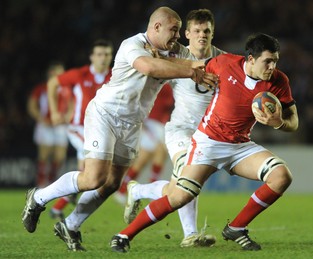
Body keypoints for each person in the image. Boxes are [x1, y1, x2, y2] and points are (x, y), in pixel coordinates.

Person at [21, 6, 218, 252]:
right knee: (94, 178)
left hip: (132, 123)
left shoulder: (171, 50)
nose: (178, 37)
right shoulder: (132, 45)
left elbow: (199, 61)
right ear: (156, 27)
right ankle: (38, 198)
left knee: (113, 183)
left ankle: (70, 225)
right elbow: (149, 67)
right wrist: (188, 70)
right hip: (106, 114)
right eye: (174, 30)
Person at [110, 33, 299, 253]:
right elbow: (191, 64)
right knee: (179, 196)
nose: (272, 66)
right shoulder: (225, 64)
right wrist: (158, 60)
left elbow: (293, 121)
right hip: (208, 143)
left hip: (239, 146)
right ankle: (123, 235)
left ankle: (236, 227)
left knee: (281, 176)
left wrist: (279, 123)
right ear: (251, 59)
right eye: (267, 61)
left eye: (275, 60)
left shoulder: (279, 81)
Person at [122, 8, 225, 248]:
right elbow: (149, 72)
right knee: (189, 177)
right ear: (187, 34)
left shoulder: (224, 60)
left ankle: (138, 191)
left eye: (207, 31)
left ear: (212, 34)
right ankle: (190, 235)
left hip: (208, 136)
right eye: (197, 31)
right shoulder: (173, 59)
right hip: (180, 129)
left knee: (176, 189)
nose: (202, 35)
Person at [46, 39, 114, 220]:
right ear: (92, 56)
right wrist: (54, 112)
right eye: (99, 54)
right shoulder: (80, 74)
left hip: (100, 129)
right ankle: (43, 199)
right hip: (79, 128)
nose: (103, 58)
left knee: (85, 175)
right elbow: (53, 83)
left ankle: (57, 207)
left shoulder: (115, 76)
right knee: (95, 170)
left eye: (107, 54)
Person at [114, 83, 174, 205]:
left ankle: (123, 189)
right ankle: (149, 189)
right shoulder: (155, 82)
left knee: (144, 159)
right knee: (159, 151)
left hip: (161, 125)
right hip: (149, 122)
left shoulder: (172, 86)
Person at [27, 62, 73, 187]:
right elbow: (32, 106)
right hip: (45, 126)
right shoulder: (41, 89)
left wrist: (67, 118)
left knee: (59, 157)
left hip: (60, 126)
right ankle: (41, 182)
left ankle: (52, 181)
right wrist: (41, 119)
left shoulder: (67, 89)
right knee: (44, 155)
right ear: (51, 73)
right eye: (59, 72)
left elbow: (71, 107)